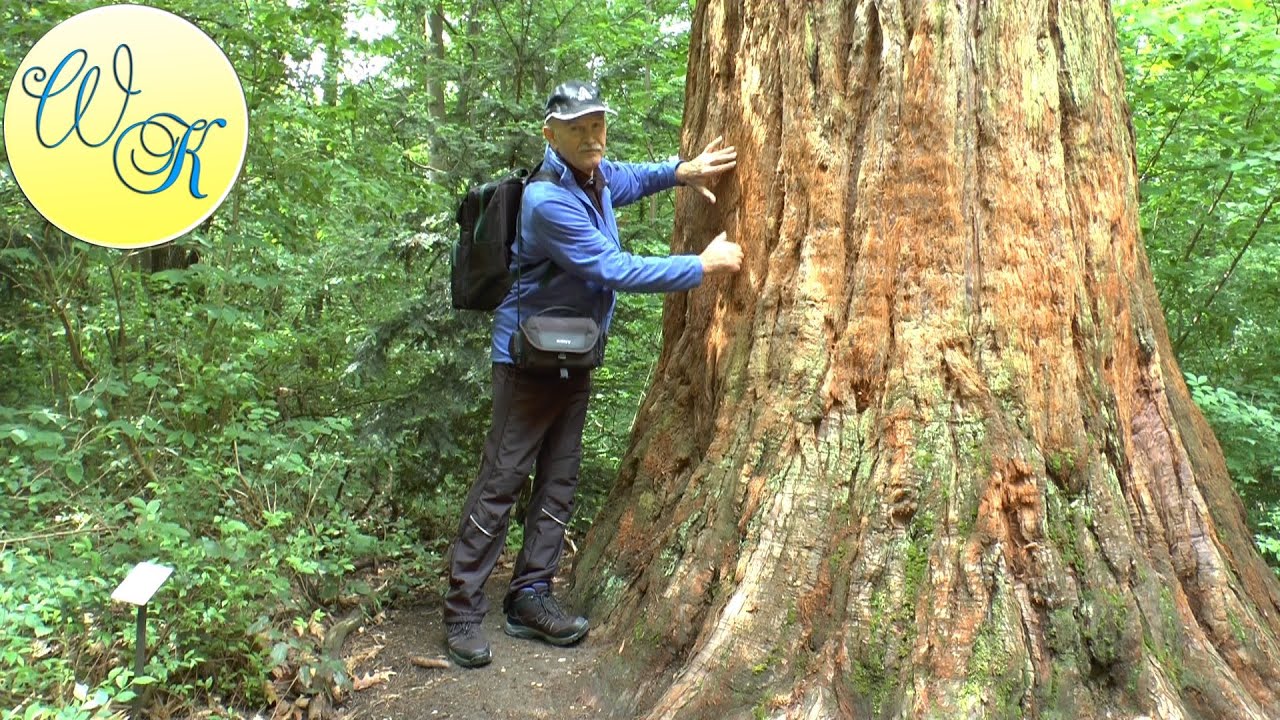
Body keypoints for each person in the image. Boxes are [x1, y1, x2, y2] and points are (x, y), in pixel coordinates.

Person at [442, 80, 742, 668]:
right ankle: (462, 613)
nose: (593, 136)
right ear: (551, 134)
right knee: (502, 481)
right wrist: (700, 265)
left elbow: (627, 179)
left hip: (572, 355)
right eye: (578, 127)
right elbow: (611, 267)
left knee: (558, 479)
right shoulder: (546, 201)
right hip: (527, 361)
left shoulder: (594, 175)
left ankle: (530, 596)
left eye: (598, 124)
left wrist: (682, 170)